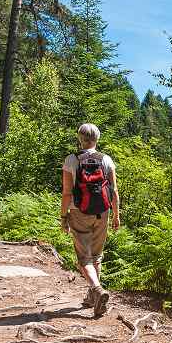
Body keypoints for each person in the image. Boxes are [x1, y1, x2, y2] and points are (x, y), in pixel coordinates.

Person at [61, 123, 120, 318]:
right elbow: (114, 192)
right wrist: (116, 215)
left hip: (79, 212)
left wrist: (64, 217)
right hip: (102, 213)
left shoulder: (71, 160)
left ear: (80, 138)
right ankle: (92, 297)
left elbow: (67, 192)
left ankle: (96, 289)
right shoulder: (106, 160)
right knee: (96, 255)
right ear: (97, 139)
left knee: (84, 258)